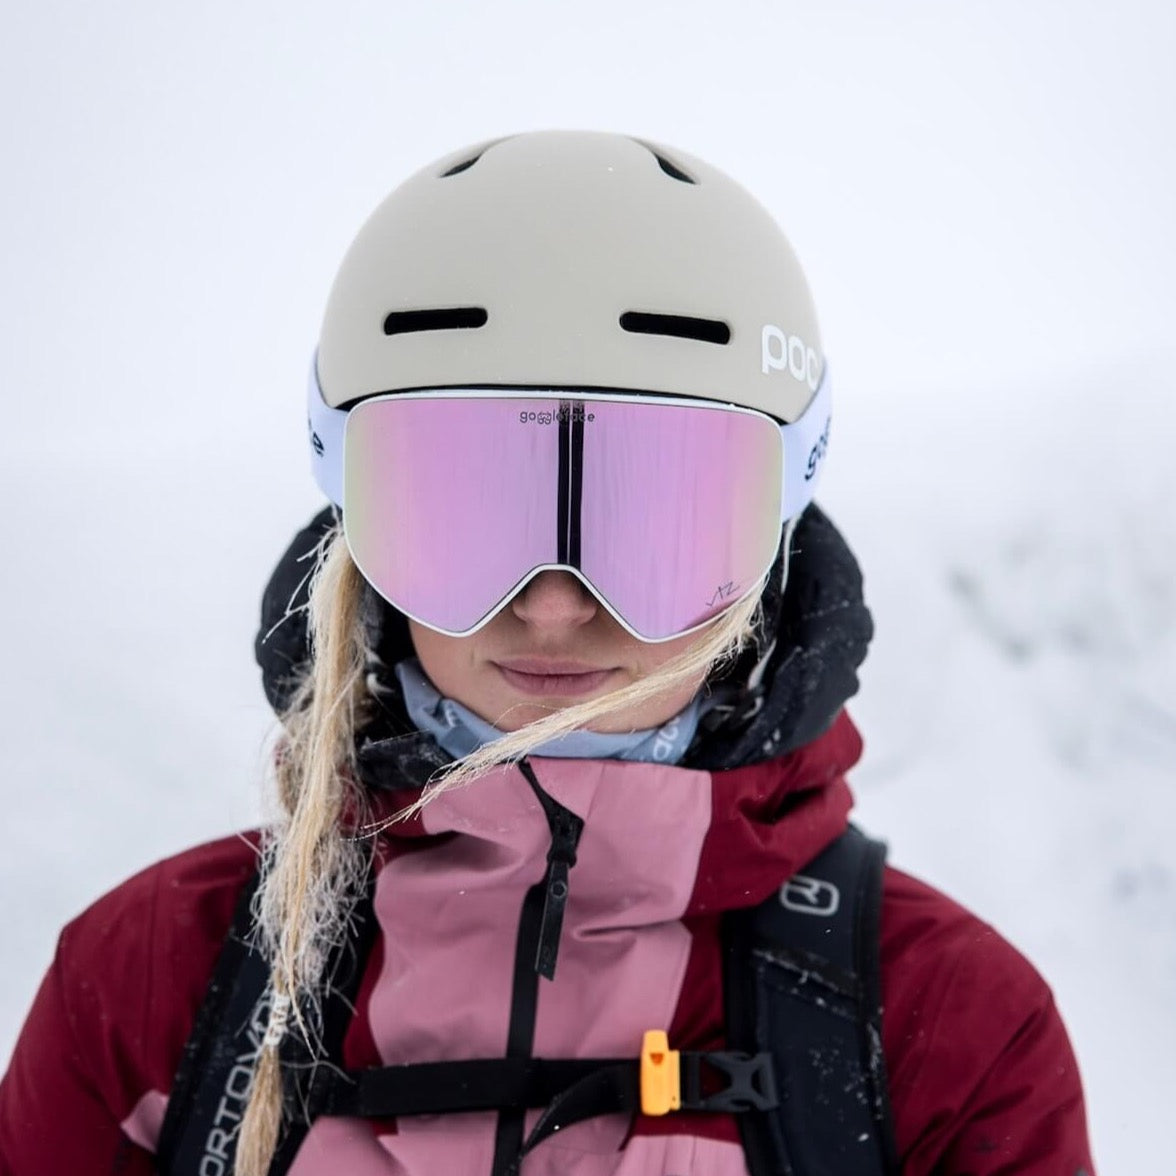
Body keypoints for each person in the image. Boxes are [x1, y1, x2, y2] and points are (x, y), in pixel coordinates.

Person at [0, 131, 1095, 1176]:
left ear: (772, 542)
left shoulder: (947, 1036)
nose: (556, 604)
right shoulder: (154, 990)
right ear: (359, 527)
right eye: (472, 509)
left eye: (655, 521)